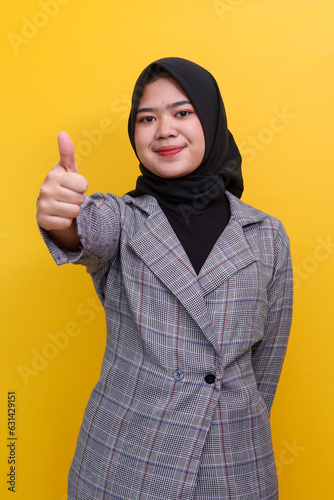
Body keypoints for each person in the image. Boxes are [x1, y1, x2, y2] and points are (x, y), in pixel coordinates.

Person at [37, 57, 293, 500]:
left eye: (182, 112)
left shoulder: (266, 234)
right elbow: (83, 231)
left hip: (233, 465)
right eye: (146, 118)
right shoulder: (122, 218)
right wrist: (60, 215)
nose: (164, 130)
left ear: (211, 121)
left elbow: (266, 365)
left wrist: (232, 422)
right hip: (127, 463)